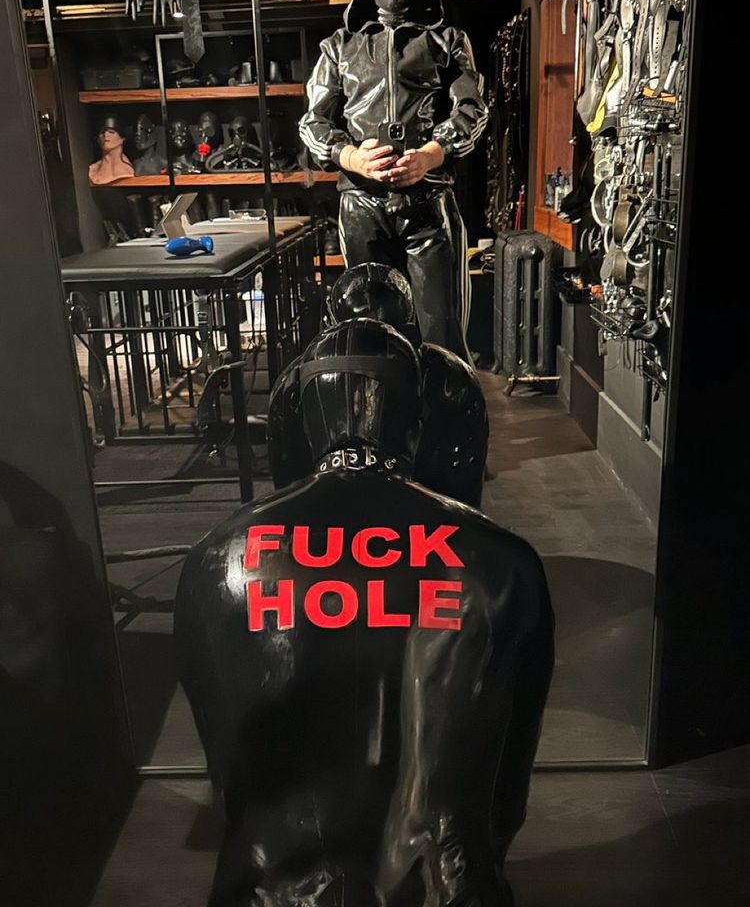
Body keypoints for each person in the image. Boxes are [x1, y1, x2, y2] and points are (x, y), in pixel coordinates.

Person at [175, 318, 553, 907]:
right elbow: (508, 788)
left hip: (268, 893)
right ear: (414, 420)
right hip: (448, 891)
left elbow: (227, 763)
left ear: (306, 417)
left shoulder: (218, 560)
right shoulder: (501, 559)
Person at [299, 0, 488, 363]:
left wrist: (432, 154)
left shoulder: (447, 40)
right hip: (362, 206)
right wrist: (351, 156)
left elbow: (472, 108)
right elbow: (313, 120)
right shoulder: (339, 46)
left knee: (443, 335)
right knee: (367, 337)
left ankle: (444, 407)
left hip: (429, 203)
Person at [267, 263, 488, 508]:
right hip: (418, 509)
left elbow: (289, 487)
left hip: (408, 505)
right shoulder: (454, 374)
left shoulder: (291, 379)